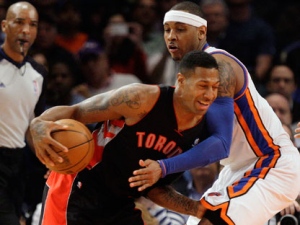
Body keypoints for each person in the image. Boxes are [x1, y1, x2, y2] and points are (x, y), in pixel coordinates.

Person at [128, 2, 300, 225]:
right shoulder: (186, 79)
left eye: (180, 29)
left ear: (201, 32)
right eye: (167, 29)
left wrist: (163, 167)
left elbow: (220, 144)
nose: (171, 37)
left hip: (272, 162)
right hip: (236, 169)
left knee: (212, 221)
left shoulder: (218, 65)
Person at [29, 50, 221, 225]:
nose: (209, 94)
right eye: (202, 86)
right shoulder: (141, 99)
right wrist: (38, 125)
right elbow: (75, 111)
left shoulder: (200, 132)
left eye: (215, 87)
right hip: (78, 188)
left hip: (120, 203)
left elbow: (154, 188)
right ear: (181, 81)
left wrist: (197, 209)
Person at [0, 1, 47, 225]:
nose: (26, 30)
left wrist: (50, 162)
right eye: (19, 22)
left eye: (32, 24)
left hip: (18, 162)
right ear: (4, 26)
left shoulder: (38, 73)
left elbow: (32, 126)